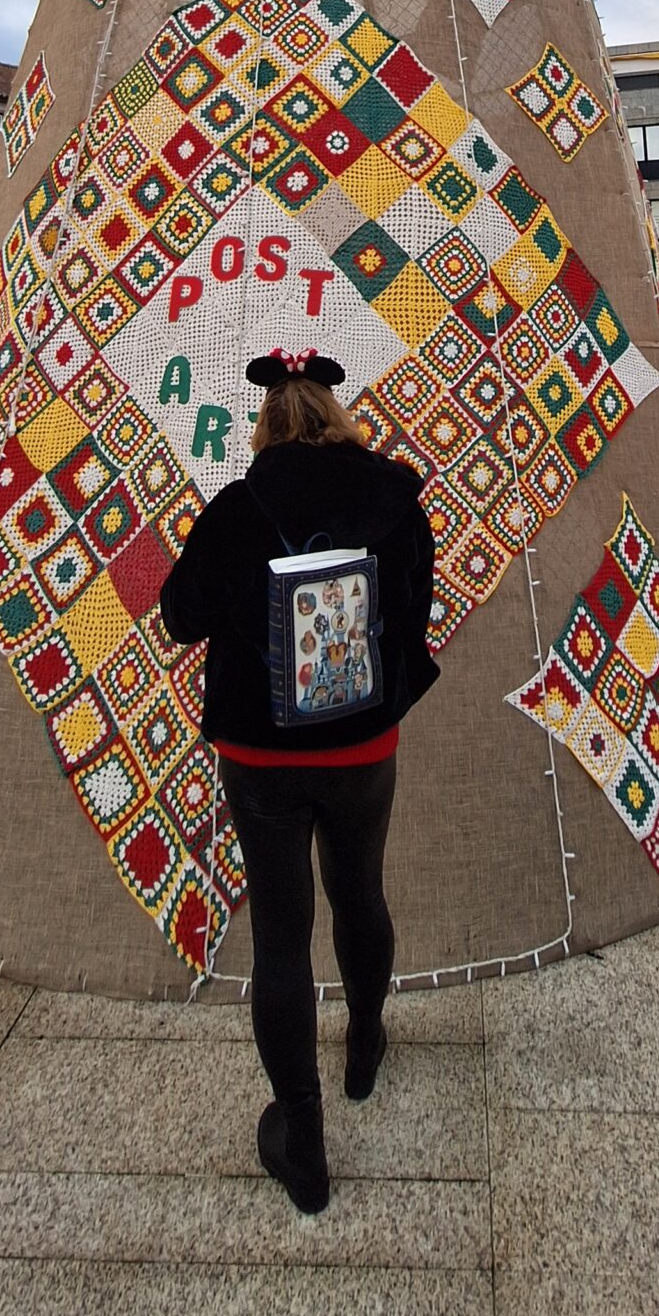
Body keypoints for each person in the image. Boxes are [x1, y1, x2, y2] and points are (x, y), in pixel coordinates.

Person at [159, 348, 437, 1215]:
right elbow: (414, 613)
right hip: (362, 745)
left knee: (281, 936)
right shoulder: (395, 499)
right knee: (361, 895)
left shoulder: (236, 510)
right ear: (334, 414)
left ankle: (303, 1141)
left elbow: (179, 617)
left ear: (267, 423)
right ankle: (364, 1044)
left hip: (261, 755)